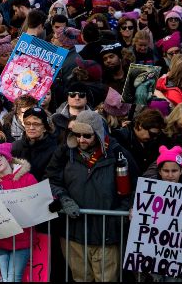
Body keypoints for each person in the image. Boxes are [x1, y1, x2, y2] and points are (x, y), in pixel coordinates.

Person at [46, 110, 138, 282]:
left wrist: (122, 213)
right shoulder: (65, 152)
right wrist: (64, 199)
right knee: (80, 278)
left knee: (106, 279)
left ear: (98, 134)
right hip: (74, 232)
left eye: (87, 136)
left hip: (107, 232)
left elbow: (135, 187)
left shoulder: (117, 153)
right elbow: (51, 180)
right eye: (77, 135)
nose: (81, 140)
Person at [0, 143, 38, 282]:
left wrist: (54, 202)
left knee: (14, 279)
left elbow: (40, 199)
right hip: (1, 238)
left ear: (7, 157)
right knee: (4, 278)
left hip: (22, 238)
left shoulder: (28, 178)